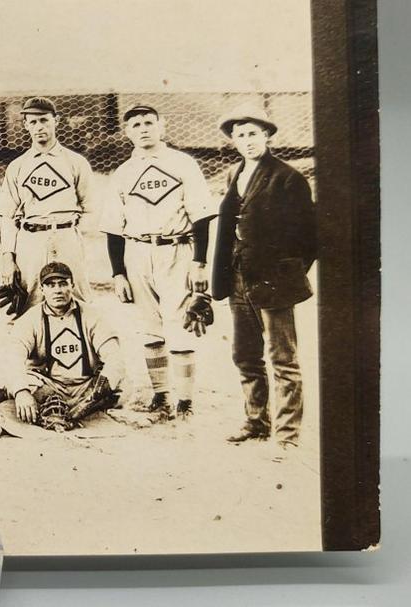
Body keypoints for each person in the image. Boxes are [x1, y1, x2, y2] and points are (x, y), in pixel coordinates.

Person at [99, 105, 216, 420]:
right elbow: (113, 227)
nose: (143, 129)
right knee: (148, 328)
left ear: (161, 126)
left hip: (176, 248)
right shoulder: (123, 172)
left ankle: (185, 401)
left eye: (149, 122)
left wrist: (200, 262)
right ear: (127, 132)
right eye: (136, 124)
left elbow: (201, 215)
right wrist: (118, 273)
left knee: (180, 325)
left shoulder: (182, 163)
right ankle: (162, 395)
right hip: (137, 252)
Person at [210, 104, 316, 449]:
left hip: (273, 281)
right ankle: (256, 421)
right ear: (234, 141)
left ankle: (287, 435)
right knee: (245, 354)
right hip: (238, 277)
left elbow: (309, 236)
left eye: (253, 133)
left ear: (267, 135)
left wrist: (285, 275)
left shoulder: (288, 177)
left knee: (283, 358)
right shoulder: (233, 174)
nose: (247, 140)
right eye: (240, 135)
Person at [0, 97, 95, 306]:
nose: (39, 127)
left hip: (66, 235)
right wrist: (8, 257)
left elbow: (90, 208)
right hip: (31, 238)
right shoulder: (17, 166)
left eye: (44, 120)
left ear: (56, 121)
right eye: (33, 122)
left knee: (76, 298)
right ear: (25, 125)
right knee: (30, 301)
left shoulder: (75, 162)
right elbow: (7, 216)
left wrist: (74, 238)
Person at [7, 262, 125, 431]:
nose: (58, 290)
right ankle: (53, 404)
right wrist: (21, 392)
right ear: (42, 289)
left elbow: (115, 357)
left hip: (85, 386)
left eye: (63, 284)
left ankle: (87, 406)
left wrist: (96, 393)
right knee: (18, 382)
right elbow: (13, 357)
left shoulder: (92, 315)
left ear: (72, 286)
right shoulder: (30, 319)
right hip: (49, 386)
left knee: (121, 384)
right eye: (51, 285)